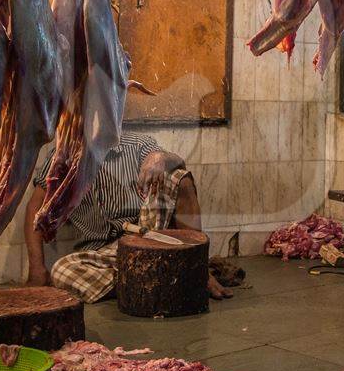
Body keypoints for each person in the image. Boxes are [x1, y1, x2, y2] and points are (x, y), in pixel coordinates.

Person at [24, 130, 231, 303]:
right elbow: (35, 207)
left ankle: (197, 269)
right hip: (102, 256)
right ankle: (163, 276)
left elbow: (178, 162)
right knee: (61, 271)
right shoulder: (62, 156)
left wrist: (160, 158)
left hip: (145, 239)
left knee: (177, 176)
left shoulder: (138, 144)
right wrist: (37, 268)